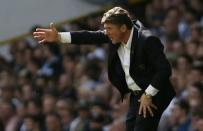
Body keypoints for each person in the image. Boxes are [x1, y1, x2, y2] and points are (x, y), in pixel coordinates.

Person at [33, 6, 175, 131]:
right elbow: (90, 36)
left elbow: (164, 69)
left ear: (123, 28)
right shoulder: (116, 35)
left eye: (109, 29)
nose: (106, 33)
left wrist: (148, 94)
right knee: (130, 127)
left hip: (155, 92)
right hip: (137, 95)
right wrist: (58, 37)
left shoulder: (147, 40)